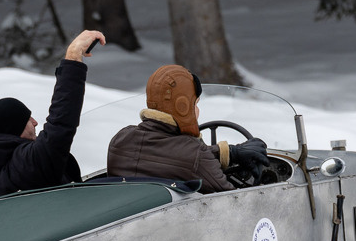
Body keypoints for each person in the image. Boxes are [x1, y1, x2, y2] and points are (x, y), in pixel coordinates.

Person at [0, 29, 106, 215]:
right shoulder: (28, 164)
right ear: (12, 128)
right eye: (27, 119)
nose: (35, 122)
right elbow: (61, 123)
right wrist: (73, 57)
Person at [106, 64, 269, 192]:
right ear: (182, 107)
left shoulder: (121, 140)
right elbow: (233, 201)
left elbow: (169, 157)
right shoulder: (194, 153)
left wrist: (230, 153)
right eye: (195, 104)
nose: (198, 111)